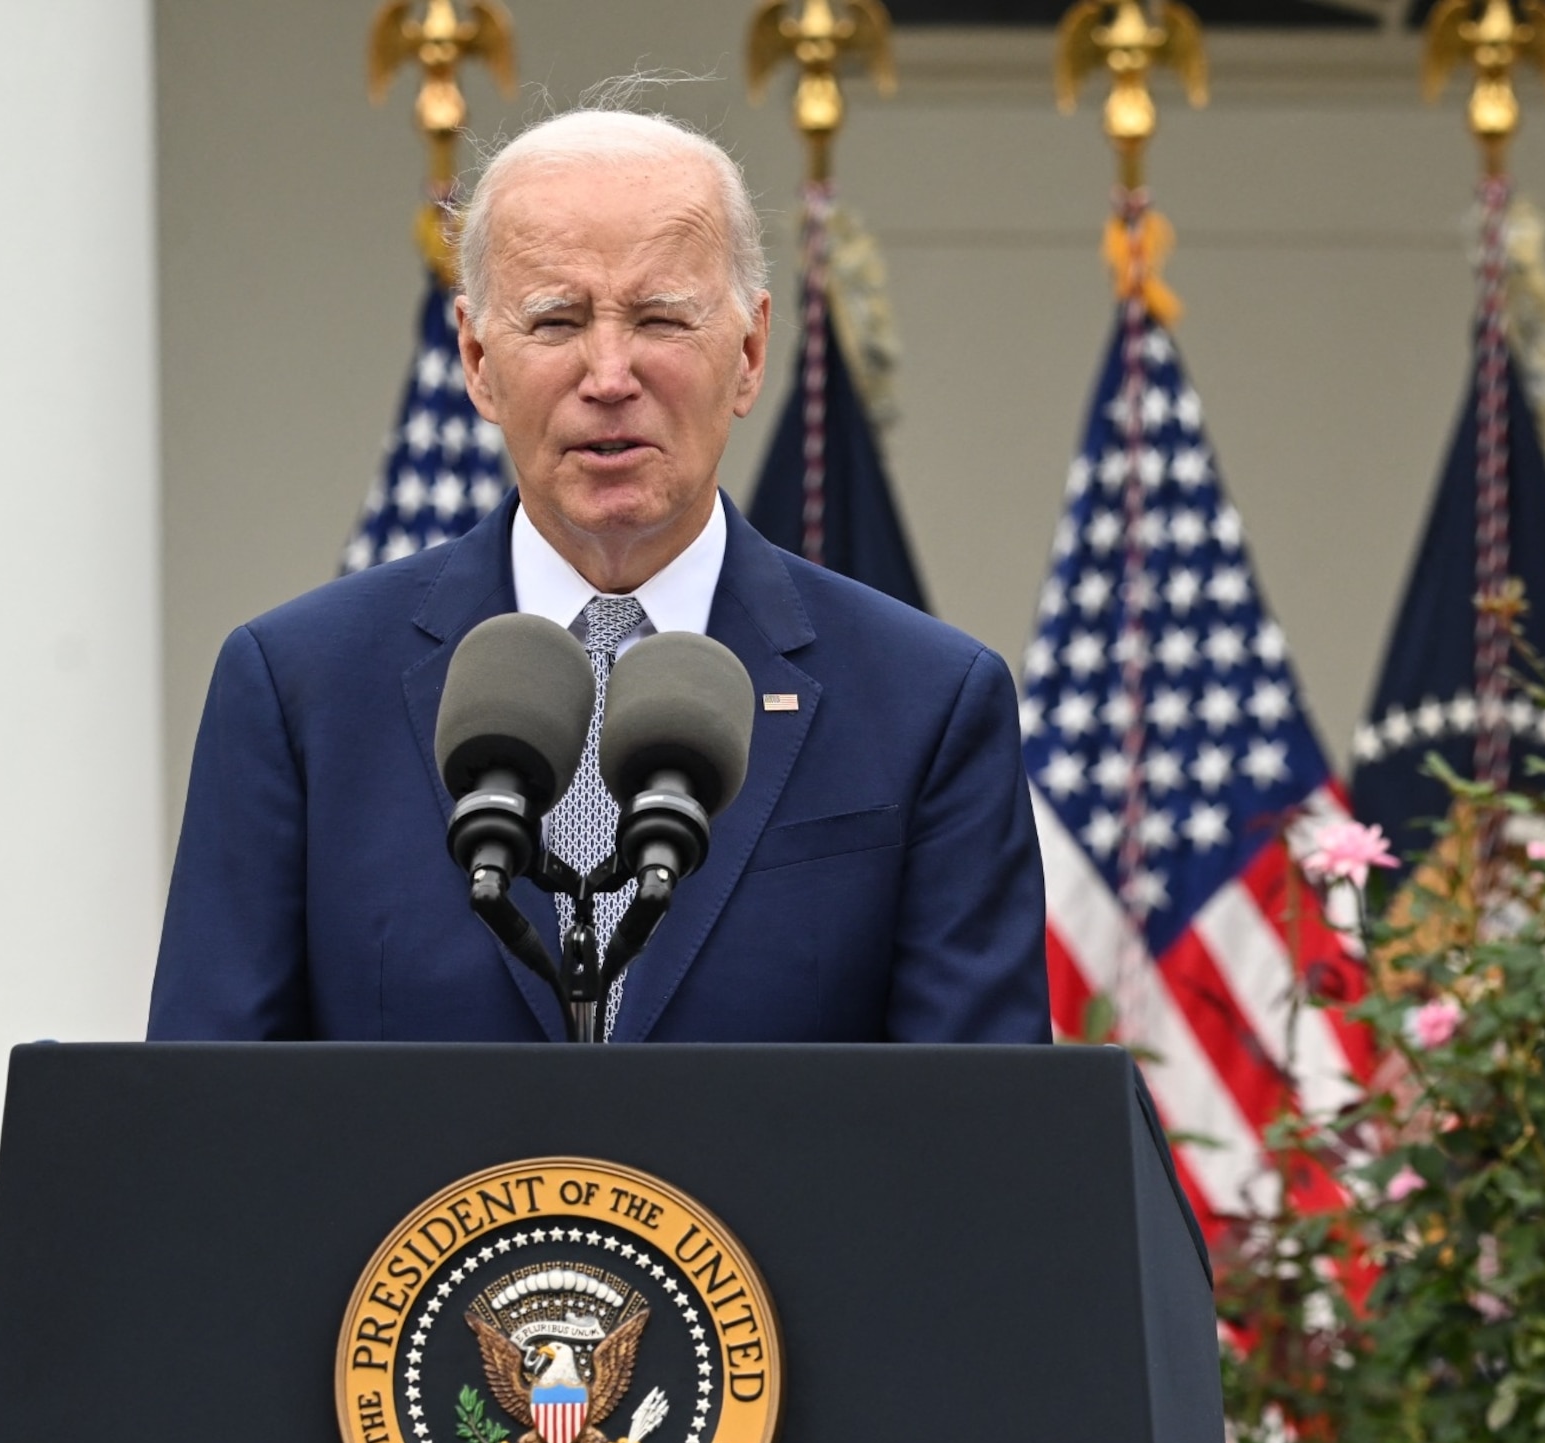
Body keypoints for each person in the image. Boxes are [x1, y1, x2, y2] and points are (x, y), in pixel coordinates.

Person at [148, 106, 1047, 1045]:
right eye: (556, 320)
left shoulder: (926, 704)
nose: (609, 374)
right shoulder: (300, 693)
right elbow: (208, 1124)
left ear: (748, 354)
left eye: (660, 318)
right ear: (477, 360)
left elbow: (977, 1147)